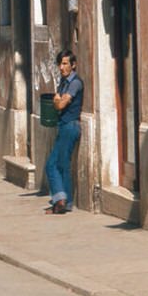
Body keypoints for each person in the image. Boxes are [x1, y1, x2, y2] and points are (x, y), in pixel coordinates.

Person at [44, 49, 83, 214]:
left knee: (56, 164)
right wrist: (58, 99)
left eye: (65, 63)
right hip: (63, 125)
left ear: (73, 65)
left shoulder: (75, 83)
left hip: (70, 126)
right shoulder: (63, 82)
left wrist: (57, 100)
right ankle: (63, 200)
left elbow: (60, 104)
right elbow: (58, 100)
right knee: (58, 164)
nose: (62, 67)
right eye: (60, 64)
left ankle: (62, 200)